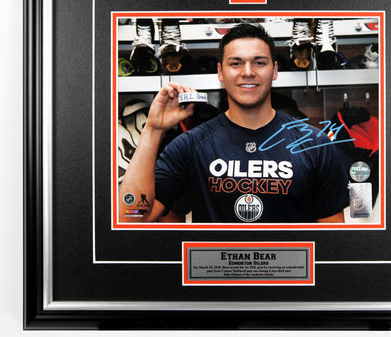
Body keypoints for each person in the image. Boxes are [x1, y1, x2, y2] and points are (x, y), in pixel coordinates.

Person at [119, 23, 348, 223]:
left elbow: (333, 240)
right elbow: (131, 216)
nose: (247, 72)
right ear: (220, 72)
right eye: (235, 63)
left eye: (259, 63)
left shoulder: (314, 144)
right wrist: (152, 130)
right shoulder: (190, 144)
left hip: (288, 272)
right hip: (215, 271)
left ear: (275, 70)